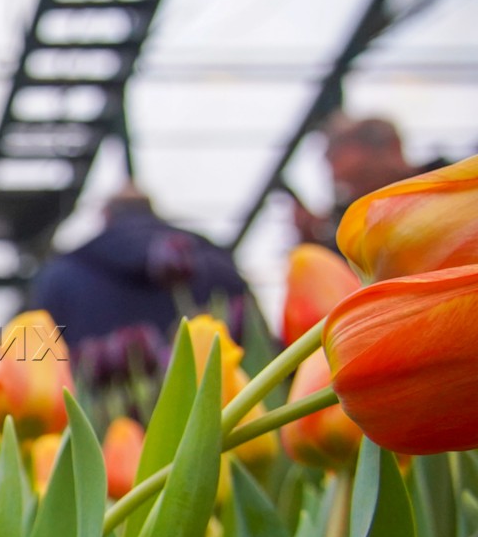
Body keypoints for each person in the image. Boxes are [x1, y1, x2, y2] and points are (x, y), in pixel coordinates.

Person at [32, 186, 246, 377]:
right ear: (152, 210)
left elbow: (41, 359)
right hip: (218, 411)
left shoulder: (61, 274)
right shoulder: (215, 263)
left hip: (101, 413)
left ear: (105, 216)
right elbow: (253, 340)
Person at [293, 116, 415, 247]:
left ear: (393, 147)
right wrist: (310, 240)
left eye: (363, 178)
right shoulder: (348, 223)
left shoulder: (437, 188)